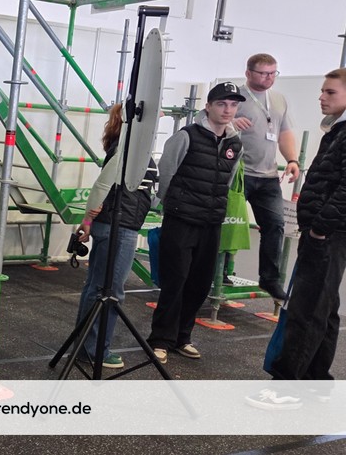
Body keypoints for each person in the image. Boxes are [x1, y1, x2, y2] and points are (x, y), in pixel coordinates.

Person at [248, 68, 346, 409]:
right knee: (325, 308)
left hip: (328, 234)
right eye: (322, 91)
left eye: (330, 92)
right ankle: (316, 381)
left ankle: (288, 386)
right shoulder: (337, 131)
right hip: (327, 232)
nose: (321, 97)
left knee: (307, 308)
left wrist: (321, 227)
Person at [147, 82, 244, 364]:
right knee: (175, 281)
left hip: (211, 222)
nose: (227, 110)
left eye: (233, 105)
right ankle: (160, 339)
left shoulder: (235, 144)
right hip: (181, 219)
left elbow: (227, 181)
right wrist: (168, 205)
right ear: (208, 106)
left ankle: (182, 337)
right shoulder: (186, 136)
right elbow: (166, 172)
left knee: (200, 283)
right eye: (221, 104)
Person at [74, 104, 158, 370]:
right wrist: (87, 221)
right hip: (118, 226)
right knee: (108, 291)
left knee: (97, 287)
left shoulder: (127, 145)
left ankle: (85, 347)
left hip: (115, 224)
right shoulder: (128, 147)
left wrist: (89, 221)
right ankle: (93, 350)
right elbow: (102, 185)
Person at [226, 54, 300, 301]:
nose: (269, 78)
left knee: (275, 225)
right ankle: (221, 271)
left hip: (268, 176)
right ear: (248, 73)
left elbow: (285, 133)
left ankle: (269, 278)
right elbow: (210, 120)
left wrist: (292, 160)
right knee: (228, 223)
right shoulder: (234, 96)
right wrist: (232, 121)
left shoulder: (278, 99)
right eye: (263, 73)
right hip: (238, 173)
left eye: (273, 73)